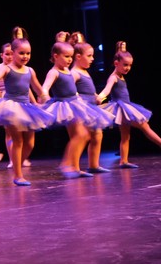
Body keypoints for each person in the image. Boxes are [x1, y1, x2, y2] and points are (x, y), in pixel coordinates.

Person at [0, 37, 53, 186]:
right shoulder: (7, 68)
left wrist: (45, 97)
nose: (25, 56)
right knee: (18, 141)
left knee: (30, 144)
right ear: (13, 53)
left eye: (28, 53)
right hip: (11, 106)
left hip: (27, 107)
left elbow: (37, 88)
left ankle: (18, 165)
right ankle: (18, 175)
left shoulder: (30, 70)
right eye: (21, 53)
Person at [96, 43, 161, 168]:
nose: (128, 68)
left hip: (126, 108)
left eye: (130, 65)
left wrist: (121, 49)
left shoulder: (120, 75)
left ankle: (123, 161)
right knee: (144, 126)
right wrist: (100, 97)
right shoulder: (113, 77)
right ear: (116, 63)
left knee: (125, 136)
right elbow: (107, 90)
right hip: (122, 108)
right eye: (125, 65)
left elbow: (119, 57)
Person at [41, 41, 110, 178]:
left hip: (75, 104)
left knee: (82, 135)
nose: (69, 60)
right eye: (66, 56)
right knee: (81, 135)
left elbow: (72, 89)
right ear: (55, 56)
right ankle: (66, 164)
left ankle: (75, 168)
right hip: (66, 106)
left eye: (70, 57)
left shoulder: (66, 70)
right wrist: (45, 96)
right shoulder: (53, 72)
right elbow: (45, 87)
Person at [71, 41, 114, 173]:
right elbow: (70, 89)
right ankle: (74, 168)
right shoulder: (74, 72)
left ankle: (93, 165)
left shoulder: (85, 71)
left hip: (91, 106)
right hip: (82, 108)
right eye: (89, 56)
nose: (92, 59)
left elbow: (89, 89)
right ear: (78, 57)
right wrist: (78, 98)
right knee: (81, 137)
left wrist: (96, 96)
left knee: (97, 135)